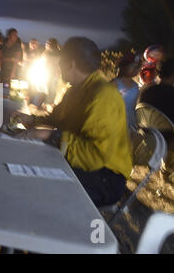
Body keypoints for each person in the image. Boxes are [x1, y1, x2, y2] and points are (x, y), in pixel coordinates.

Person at [11, 37, 133, 207]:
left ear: (71, 64)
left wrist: (50, 135)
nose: (59, 66)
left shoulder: (103, 96)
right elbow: (56, 120)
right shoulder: (75, 91)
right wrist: (31, 119)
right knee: (26, 161)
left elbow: (94, 156)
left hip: (105, 177)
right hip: (80, 163)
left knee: (37, 185)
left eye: (61, 61)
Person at [112, 52, 143, 133]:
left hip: (132, 123)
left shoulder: (135, 85)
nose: (137, 69)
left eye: (138, 67)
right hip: (117, 124)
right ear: (124, 67)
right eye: (133, 66)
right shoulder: (114, 84)